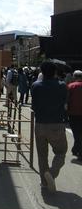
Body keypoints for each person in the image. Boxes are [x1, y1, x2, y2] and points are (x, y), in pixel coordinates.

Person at [31, 60, 68, 192]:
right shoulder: (62, 86)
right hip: (56, 124)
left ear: (41, 72)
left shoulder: (35, 85)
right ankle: (51, 174)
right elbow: (65, 104)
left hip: (40, 124)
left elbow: (33, 106)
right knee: (61, 152)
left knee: (42, 155)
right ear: (55, 72)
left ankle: (44, 183)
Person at [67, 70, 82, 159]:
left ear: (74, 77)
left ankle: (77, 149)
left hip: (73, 113)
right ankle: (76, 149)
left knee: (76, 132)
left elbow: (66, 101)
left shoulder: (71, 86)